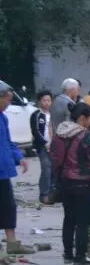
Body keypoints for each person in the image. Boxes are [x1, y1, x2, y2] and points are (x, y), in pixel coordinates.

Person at [51, 102, 90, 265]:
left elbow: (54, 158)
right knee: (83, 221)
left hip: (65, 182)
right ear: (82, 118)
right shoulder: (84, 135)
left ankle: (68, 254)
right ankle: (81, 256)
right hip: (82, 183)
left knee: (69, 219)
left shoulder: (59, 133)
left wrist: (57, 179)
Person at [0, 83, 32, 255]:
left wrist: (19, 158)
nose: (8, 104)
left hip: (4, 170)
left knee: (9, 206)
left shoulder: (3, 118)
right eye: (7, 100)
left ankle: (12, 243)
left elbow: (8, 142)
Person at [31, 91, 53, 204]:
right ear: (39, 101)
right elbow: (36, 131)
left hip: (54, 146)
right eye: (44, 100)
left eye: (49, 100)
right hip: (42, 146)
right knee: (46, 169)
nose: (47, 103)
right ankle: (44, 194)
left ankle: (52, 192)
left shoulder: (53, 114)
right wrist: (45, 143)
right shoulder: (36, 115)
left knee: (53, 169)